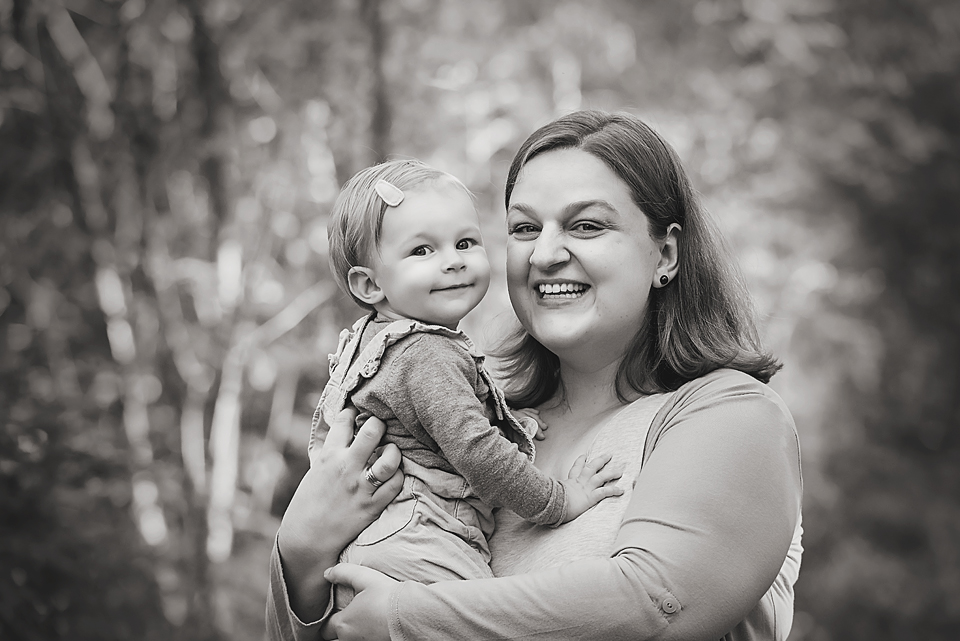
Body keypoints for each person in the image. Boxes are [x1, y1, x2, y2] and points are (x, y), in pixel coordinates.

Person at [267, 110, 803, 641]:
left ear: (665, 253)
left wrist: (407, 618)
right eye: (525, 228)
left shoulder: (731, 415)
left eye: (586, 225)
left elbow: (654, 603)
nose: (544, 254)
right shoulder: (471, 420)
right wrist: (301, 547)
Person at [308, 158, 623, 611]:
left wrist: (504, 420)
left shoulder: (376, 342)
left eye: (465, 242)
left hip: (386, 541)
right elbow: (476, 452)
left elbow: (437, 425)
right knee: (475, 619)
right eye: (422, 251)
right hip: (424, 540)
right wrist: (561, 500)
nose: (453, 261)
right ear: (369, 284)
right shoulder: (425, 354)